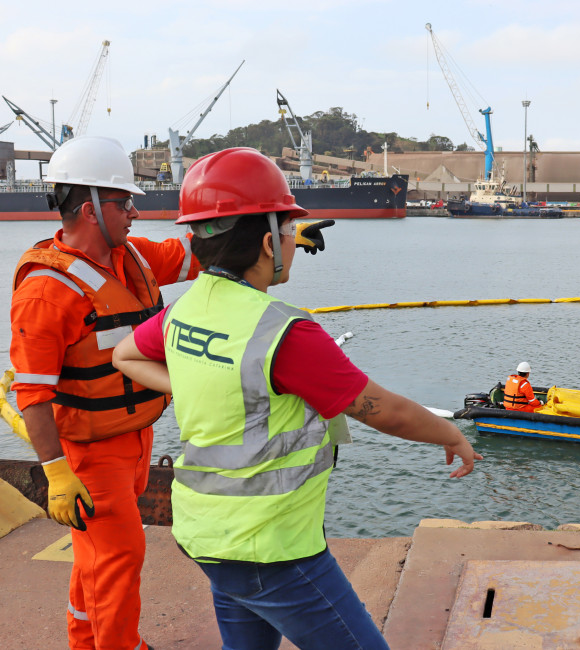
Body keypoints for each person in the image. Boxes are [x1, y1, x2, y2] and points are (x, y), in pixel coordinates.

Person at [110, 147, 482, 650]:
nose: (294, 238)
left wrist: (203, 381)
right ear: (267, 242)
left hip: (206, 534)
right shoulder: (283, 333)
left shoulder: (186, 308)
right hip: (272, 549)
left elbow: (127, 356)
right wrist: (451, 433)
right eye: (288, 229)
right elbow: (384, 411)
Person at [9, 135, 201, 649]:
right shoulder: (46, 292)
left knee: (95, 557)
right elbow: (33, 394)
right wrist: (56, 474)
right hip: (91, 457)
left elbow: (194, 256)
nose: (135, 212)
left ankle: (84, 640)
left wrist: (269, 234)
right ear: (92, 208)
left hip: (137, 440)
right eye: (125, 202)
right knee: (120, 558)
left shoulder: (132, 259)